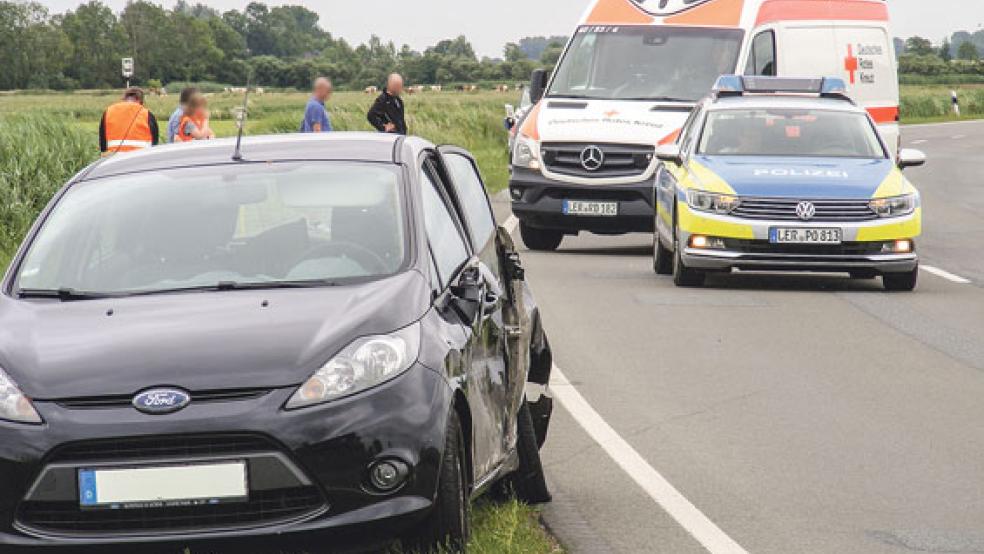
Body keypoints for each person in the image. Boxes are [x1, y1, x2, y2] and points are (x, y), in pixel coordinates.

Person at [99, 87, 159, 155]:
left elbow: (103, 144)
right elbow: (155, 144)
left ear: (124, 98)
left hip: (114, 160)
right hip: (141, 160)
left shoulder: (108, 112)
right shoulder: (147, 114)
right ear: (141, 100)